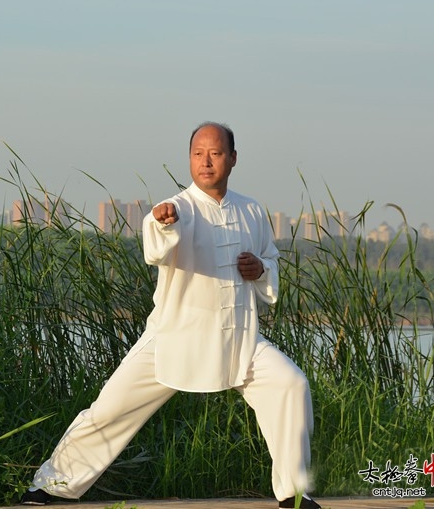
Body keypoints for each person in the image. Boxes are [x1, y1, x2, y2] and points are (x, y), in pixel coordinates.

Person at [20, 122, 319, 509]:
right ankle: (53, 485)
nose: (206, 162)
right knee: (111, 409)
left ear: (232, 159)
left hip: (239, 337)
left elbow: (271, 265)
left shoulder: (252, 210)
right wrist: (163, 224)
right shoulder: (175, 208)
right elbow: (156, 248)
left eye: (215, 153)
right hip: (175, 335)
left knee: (290, 384)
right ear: (190, 159)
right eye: (198, 154)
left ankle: (294, 493)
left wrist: (259, 269)